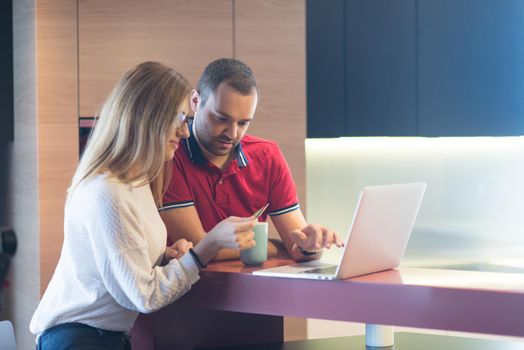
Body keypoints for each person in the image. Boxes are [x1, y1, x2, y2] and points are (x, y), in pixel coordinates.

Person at [29, 61, 257, 350]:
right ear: (147, 119)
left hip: (103, 338)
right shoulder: (106, 192)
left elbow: (123, 264)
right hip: (79, 340)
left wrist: (165, 256)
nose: (184, 132)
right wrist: (205, 249)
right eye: (178, 118)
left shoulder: (135, 184)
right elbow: (143, 295)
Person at [160, 58, 343, 262]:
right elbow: (199, 249)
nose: (232, 133)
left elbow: (299, 247)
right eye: (221, 118)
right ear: (195, 101)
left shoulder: (268, 156)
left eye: (243, 123)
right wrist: (278, 247)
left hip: (254, 288)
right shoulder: (169, 156)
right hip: (191, 290)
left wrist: (311, 246)